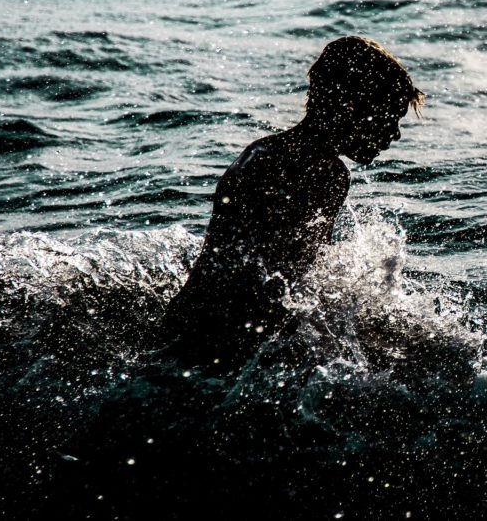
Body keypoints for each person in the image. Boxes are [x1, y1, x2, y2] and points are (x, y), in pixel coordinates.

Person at [159, 36, 424, 368]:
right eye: (388, 117)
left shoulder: (264, 150)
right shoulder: (324, 172)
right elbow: (279, 284)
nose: (394, 133)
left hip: (187, 320)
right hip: (221, 339)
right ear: (352, 106)